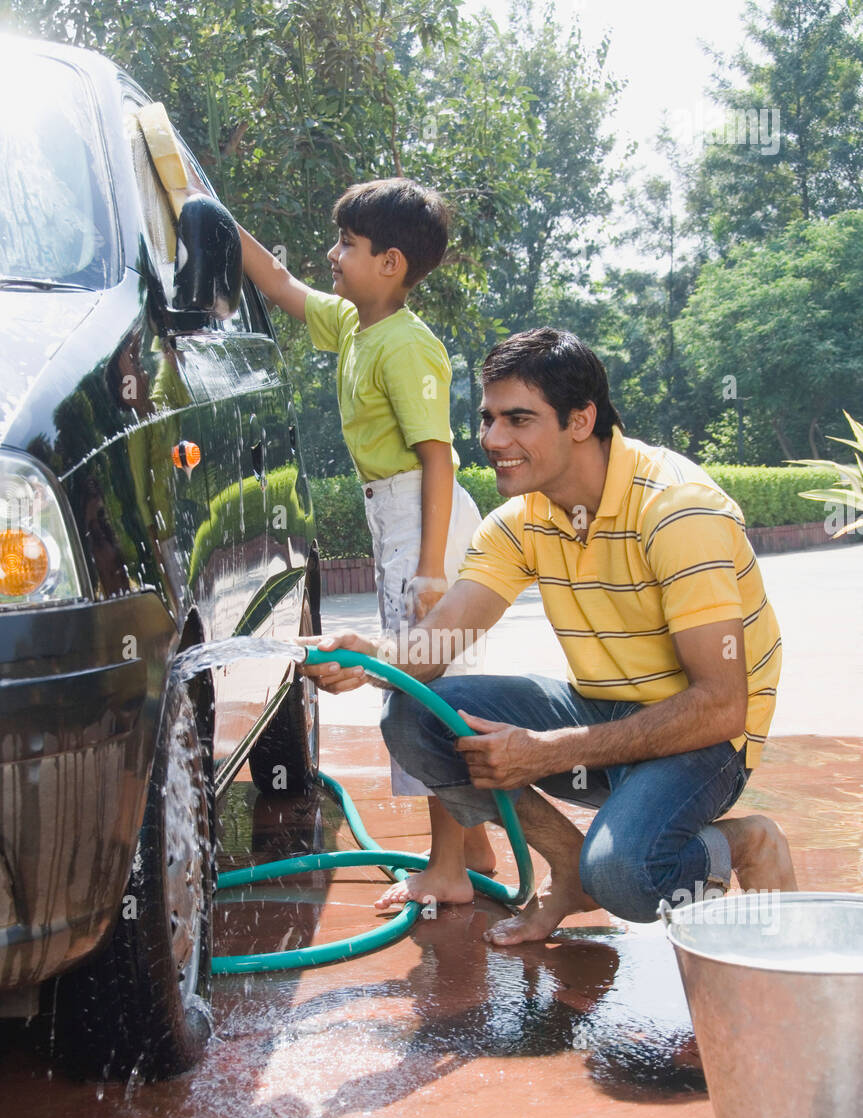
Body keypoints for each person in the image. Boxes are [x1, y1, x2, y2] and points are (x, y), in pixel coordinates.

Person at [304, 327, 798, 940]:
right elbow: (439, 640)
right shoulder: (525, 517)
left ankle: (742, 843)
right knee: (412, 714)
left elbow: (723, 706)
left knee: (627, 875)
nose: (492, 440)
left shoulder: (677, 511)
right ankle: (569, 869)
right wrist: (374, 658)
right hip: (603, 709)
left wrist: (550, 750)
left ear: (581, 420)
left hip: (702, 739)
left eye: (519, 420)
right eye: (488, 419)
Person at [205, 174, 495, 895]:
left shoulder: (405, 346)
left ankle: (447, 870)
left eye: (348, 244)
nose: (331, 254)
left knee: (420, 690)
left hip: (421, 522)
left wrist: (429, 575)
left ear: (390, 264)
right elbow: (273, 279)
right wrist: (205, 202)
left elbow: (439, 458)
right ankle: (476, 850)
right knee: (434, 683)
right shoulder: (352, 324)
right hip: (396, 518)